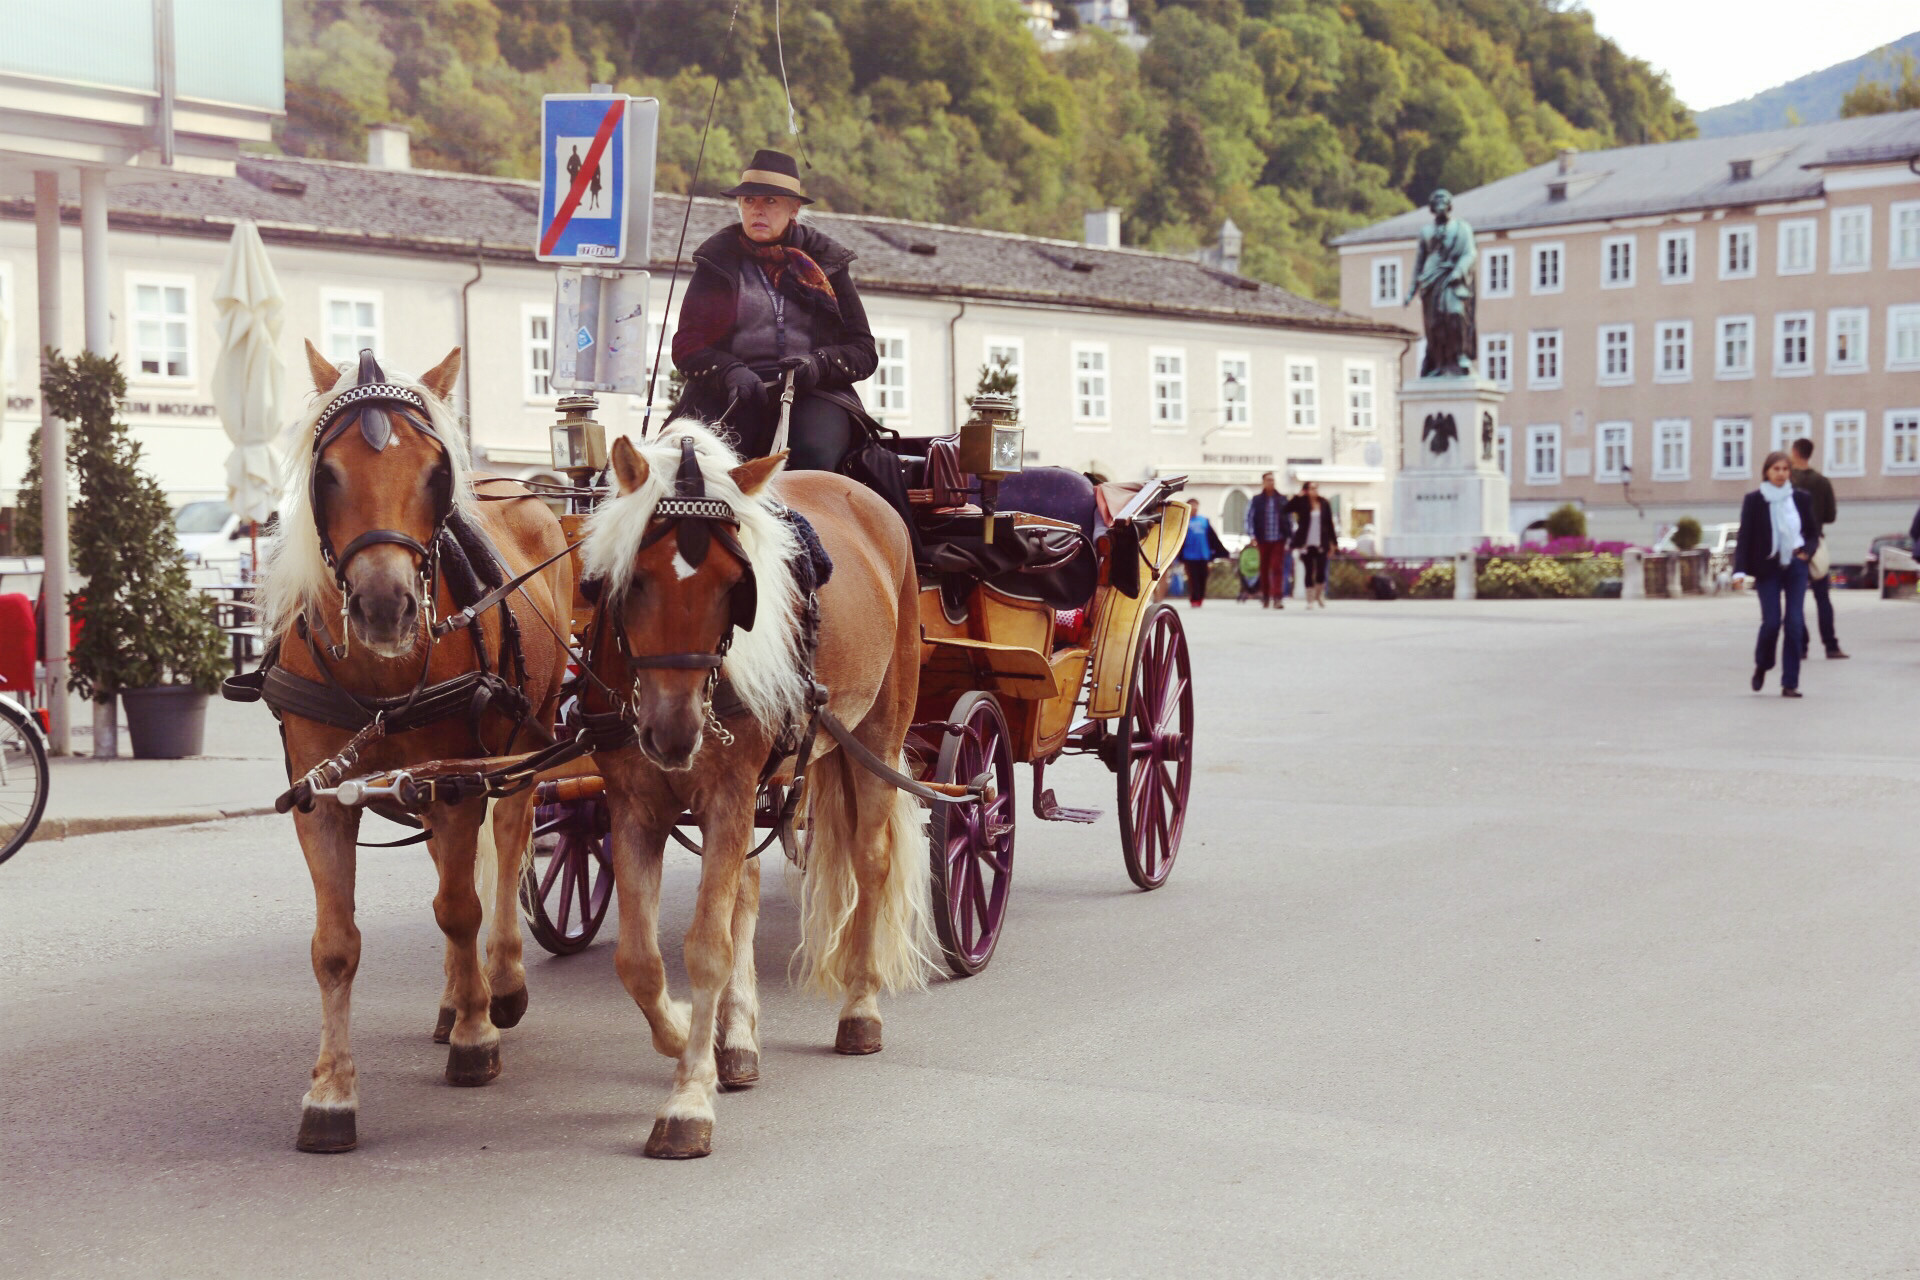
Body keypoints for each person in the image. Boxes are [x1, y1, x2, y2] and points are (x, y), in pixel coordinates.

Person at [671, 149, 878, 473]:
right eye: (749, 202)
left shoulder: (828, 263)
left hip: (816, 392)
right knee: (693, 470)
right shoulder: (717, 261)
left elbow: (863, 350)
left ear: (793, 208)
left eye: (770, 201)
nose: (757, 210)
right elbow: (687, 345)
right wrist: (728, 371)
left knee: (813, 460)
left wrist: (819, 364)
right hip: (732, 392)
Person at [1734, 450, 1820, 698]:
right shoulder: (1754, 500)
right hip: (1767, 566)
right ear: (1767, 472)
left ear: (1789, 473)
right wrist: (1739, 570)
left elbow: (1813, 533)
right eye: (1776, 469)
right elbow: (1745, 537)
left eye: (1785, 469)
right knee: (1772, 623)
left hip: (1796, 565)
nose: (1781, 474)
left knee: (1794, 623)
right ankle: (1763, 664)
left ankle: (1790, 682)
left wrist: (1807, 552)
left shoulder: (1801, 498)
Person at [1402, 189, 1478, 378]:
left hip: (1453, 279)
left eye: (1444, 202)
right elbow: (1419, 262)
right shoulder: (1426, 232)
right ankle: (1440, 362)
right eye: (1437, 203)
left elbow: (1470, 253)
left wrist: (1458, 271)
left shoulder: (1462, 228)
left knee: (1455, 313)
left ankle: (1459, 356)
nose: (1441, 206)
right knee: (1434, 324)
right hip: (1431, 280)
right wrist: (1412, 290)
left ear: (1450, 205)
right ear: (1432, 208)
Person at [1790, 437, 1847, 660]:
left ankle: (1801, 645)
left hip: (1794, 544)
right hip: (1817, 543)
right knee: (1823, 597)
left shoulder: (1788, 480)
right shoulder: (1822, 482)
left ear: (1795, 452)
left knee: (1796, 598)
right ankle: (1831, 645)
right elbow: (1831, 516)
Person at [1243, 472, 1292, 609]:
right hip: (1262, 538)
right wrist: (1252, 535)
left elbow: (1289, 519)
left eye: (1273, 480)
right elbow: (1249, 518)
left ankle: (1277, 597)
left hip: (1278, 538)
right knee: (1264, 568)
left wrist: (1289, 537)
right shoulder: (1256, 500)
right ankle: (1265, 596)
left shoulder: (1282, 499)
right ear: (1263, 482)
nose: (1271, 482)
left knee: (1277, 567)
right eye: (1268, 480)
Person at [1287, 481, 1337, 609]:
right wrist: (1298, 496)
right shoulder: (1302, 503)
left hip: (1321, 542)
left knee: (1321, 571)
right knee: (1308, 571)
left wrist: (1333, 543)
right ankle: (1310, 599)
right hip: (1306, 542)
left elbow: (1329, 524)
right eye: (1311, 488)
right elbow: (1287, 509)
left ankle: (1319, 595)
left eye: (1315, 488)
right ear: (1306, 490)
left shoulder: (1324, 503)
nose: (1314, 491)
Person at [1178, 498, 1230, 608]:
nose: (1194, 508)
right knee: (1193, 578)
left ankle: (1200, 597)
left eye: (1196, 506)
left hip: (1203, 554)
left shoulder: (1204, 521)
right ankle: (1194, 598)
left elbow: (1213, 538)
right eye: (1192, 506)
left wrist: (1222, 552)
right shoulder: (1183, 521)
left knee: (1202, 577)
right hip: (1189, 555)